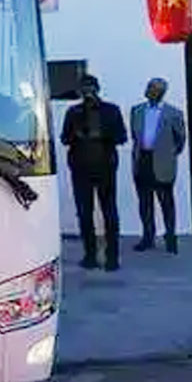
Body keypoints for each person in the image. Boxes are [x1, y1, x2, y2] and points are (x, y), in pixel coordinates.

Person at [60, 74, 128, 271]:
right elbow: (64, 138)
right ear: (80, 91)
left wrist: (103, 135)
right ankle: (89, 256)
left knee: (109, 213)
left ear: (97, 88)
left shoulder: (111, 110)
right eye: (84, 88)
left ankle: (112, 258)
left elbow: (122, 136)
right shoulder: (73, 112)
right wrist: (77, 135)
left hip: (105, 168)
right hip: (80, 169)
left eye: (90, 87)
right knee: (84, 214)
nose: (87, 91)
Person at [129, 78, 187, 253]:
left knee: (166, 202)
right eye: (148, 87)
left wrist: (168, 154)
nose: (148, 90)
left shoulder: (174, 113)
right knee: (145, 202)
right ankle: (148, 237)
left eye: (152, 88)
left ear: (160, 92)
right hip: (143, 160)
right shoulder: (137, 111)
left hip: (163, 163)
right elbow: (134, 135)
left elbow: (181, 139)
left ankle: (170, 238)